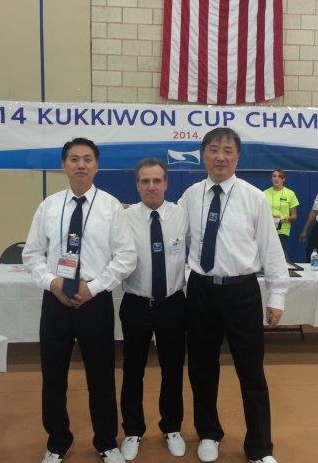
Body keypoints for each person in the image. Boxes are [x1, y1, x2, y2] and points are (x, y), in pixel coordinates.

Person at [178, 127, 289, 463]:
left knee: (252, 373)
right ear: (203, 155)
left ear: (238, 156)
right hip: (200, 293)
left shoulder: (254, 197)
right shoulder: (191, 196)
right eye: (213, 149)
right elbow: (174, 243)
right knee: (201, 369)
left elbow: (271, 252)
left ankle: (259, 448)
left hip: (242, 294)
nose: (220, 157)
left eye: (227, 150)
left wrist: (277, 296)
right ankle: (209, 434)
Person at [22, 137, 137, 463]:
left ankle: (106, 442)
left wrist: (95, 287)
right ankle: (58, 440)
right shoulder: (48, 206)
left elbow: (125, 257)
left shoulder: (112, 207)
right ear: (64, 165)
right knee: (53, 375)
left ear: (96, 166)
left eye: (87, 159)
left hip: (94, 301)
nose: (81, 165)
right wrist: (53, 282)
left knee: (100, 375)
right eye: (74, 159)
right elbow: (31, 254)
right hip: (55, 300)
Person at [119, 158, 189, 461]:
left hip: (173, 304)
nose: (151, 186)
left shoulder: (181, 215)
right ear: (137, 185)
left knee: (173, 370)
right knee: (133, 371)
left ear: (166, 183)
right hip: (136, 304)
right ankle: (133, 430)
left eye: (157, 180)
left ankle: (171, 426)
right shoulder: (123, 217)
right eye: (145, 181)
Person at [263, 169, 299, 252]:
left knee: (278, 253)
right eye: (274, 176)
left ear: (283, 179)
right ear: (271, 178)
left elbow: (294, 216)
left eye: (279, 177)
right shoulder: (264, 193)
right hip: (267, 229)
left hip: (282, 229)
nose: (276, 178)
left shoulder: (290, 194)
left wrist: (283, 219)